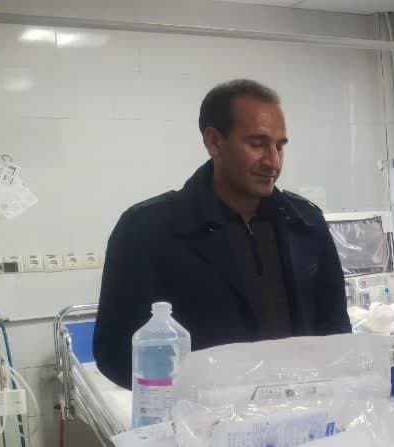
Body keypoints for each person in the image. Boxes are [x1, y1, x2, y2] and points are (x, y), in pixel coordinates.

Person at [95, 79, 351, 388]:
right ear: (214, 142)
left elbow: (336, 329)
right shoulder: (148, 230)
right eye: (257, 143)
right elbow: (115, 352)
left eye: (280, 146)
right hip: (201, 413)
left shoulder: (306, 223)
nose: (273, 161)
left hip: (301, 407)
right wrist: (191, 395)